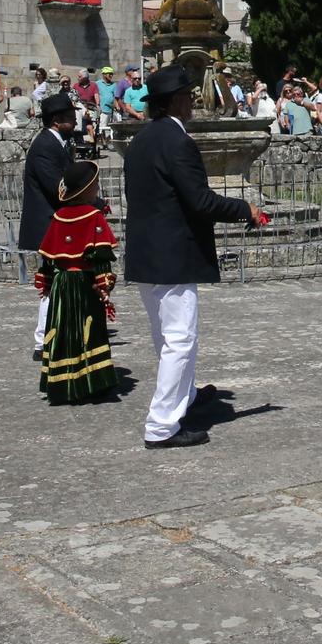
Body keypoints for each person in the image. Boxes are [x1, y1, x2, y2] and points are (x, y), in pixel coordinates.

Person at [122, 63, 262, 448]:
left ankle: (186, 399)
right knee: (180, 339)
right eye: (188, 95)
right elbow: (199, 201)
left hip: (147, 253)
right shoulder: (178, 142)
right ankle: (162, 425)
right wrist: (243, 208)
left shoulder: (141, 140)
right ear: (177, 102)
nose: (193, 100)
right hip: (172, 254)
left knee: (166, 338)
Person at [34, 159, 120, 405]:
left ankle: (61, 384)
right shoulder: (94, 217)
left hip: (62, 284)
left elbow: (48, 258)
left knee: (62, 330)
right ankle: (91, 383)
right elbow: (101, 257)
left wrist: (47, 282)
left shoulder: (58, 217)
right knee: (89, 330)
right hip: (84, 284)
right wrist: (104, 287)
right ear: (89, 191)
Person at [18, 92, 78, 360]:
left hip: (57, 226)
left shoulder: (57, 143)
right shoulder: (44, 146)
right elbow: (59, 187)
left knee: (58, 283)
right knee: (53, 284)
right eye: (70, 117)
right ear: (56, 120)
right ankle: (42, 340)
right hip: (48, 226)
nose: (75, 120)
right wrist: (92, 200)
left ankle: (53, 333)